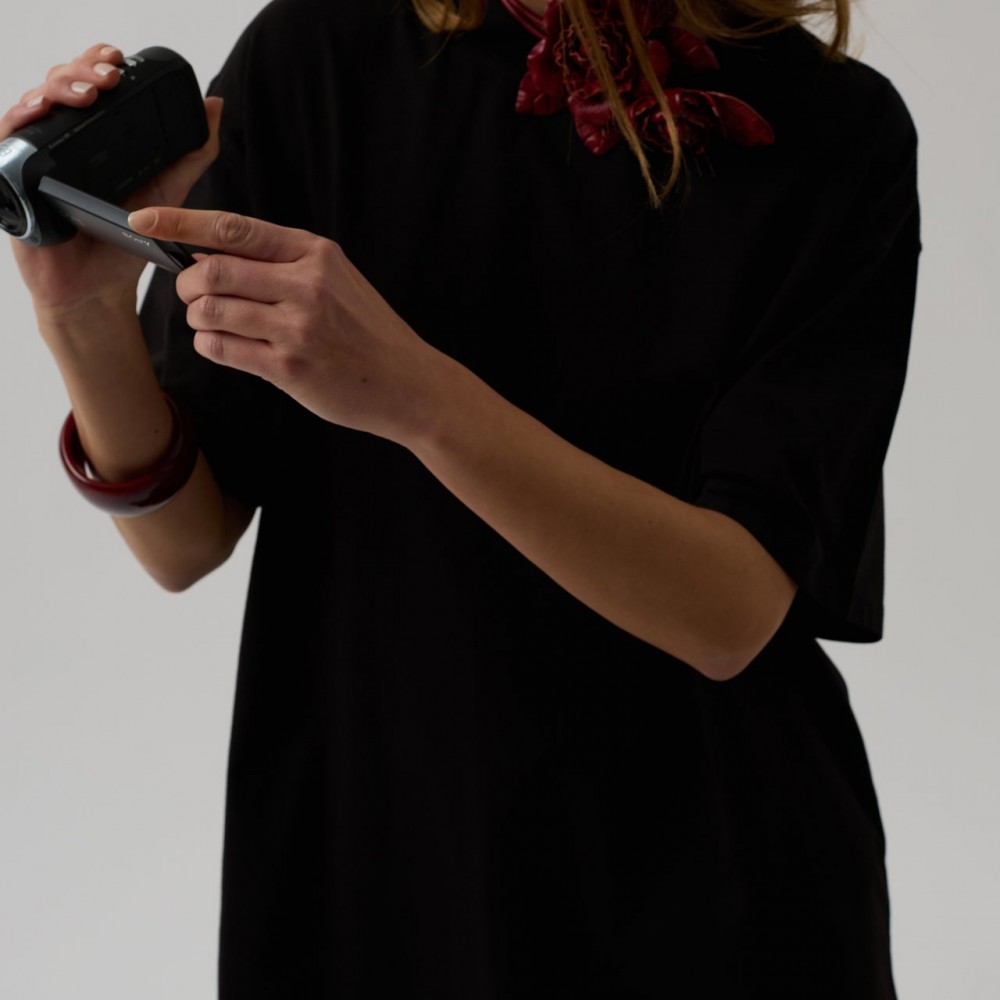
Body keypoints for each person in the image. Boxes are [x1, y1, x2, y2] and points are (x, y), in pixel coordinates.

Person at [3, 0, 919, 995]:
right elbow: (184, 542)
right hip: (379, 866)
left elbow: (730, 613)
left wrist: (416, 395)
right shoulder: (319, 54)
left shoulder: (837, 127)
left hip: (709, 891)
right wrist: (81, 314)